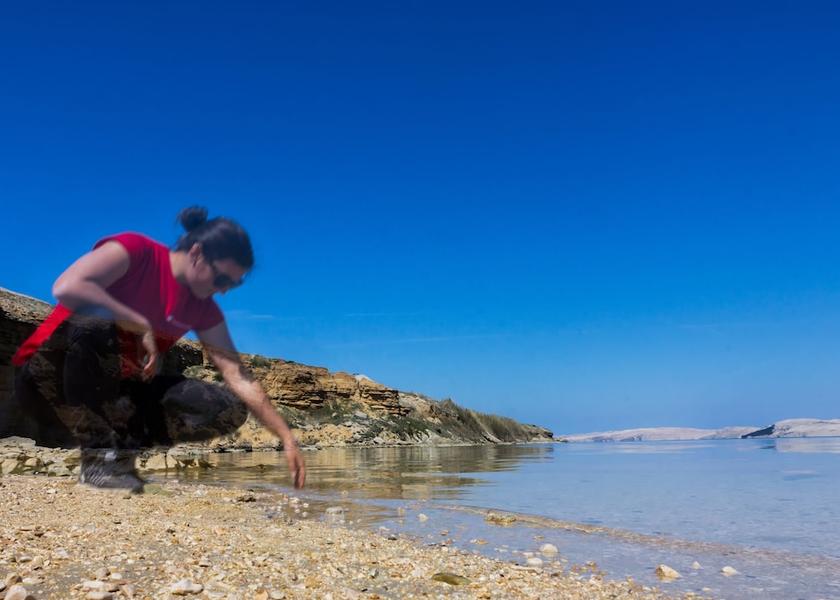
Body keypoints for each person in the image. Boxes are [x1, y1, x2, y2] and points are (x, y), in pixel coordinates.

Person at [12, 206, 305, 493]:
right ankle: (98, 460)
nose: (225, 290)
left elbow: (236, 373)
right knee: (94, 318)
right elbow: (67, 286)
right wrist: (137, 322)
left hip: (111, 398)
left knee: (227, 407)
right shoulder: (136, 250)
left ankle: (117, 453)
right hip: (44, 385)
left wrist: (286, 436)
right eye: (222, 279)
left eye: (234, 284)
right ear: (197, 253)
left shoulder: (202, 308)